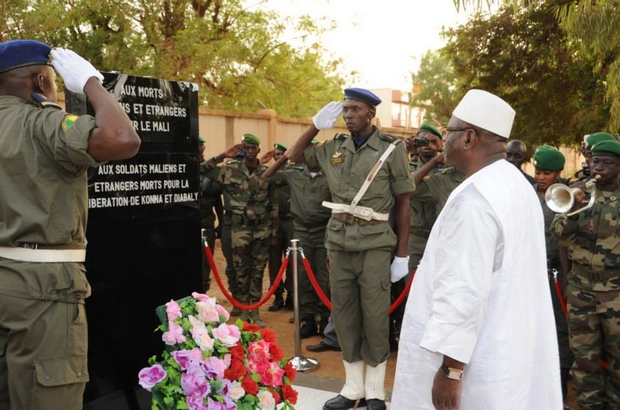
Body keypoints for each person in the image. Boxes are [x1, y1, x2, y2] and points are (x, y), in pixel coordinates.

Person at [392, 89, 562, 409]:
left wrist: (450, 372)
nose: (444, 140)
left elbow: (462, 291)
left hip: (478, 360)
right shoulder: (516, 184)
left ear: (469, 138)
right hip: (512, 346)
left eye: (449, 132)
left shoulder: (475, 199)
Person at [0, 40, 141, 409]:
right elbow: (122, 139)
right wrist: (92, 83)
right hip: (43, 287)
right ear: (39, 81)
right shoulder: (41, 122)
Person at [289, 87, 414, 410]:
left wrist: (402, 254)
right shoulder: (334, 147)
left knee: (374, 317)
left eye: (355, 109)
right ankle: (352, 387)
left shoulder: (391, 149)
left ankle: (374, 391)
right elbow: (294, 155)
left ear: (371, 114)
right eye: (345, 109)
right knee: (343, 314)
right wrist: (315, 125)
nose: (348, 115)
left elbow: (403, 202)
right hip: (339, 243)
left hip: (374, 243)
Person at [551, 138, 620, 409]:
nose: (598, 167)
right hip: (581, 289)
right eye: (595, 161)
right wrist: (573, 208)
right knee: (584, 361)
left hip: (615, 291)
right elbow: (559, 235)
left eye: (607, 163)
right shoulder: (578, 193)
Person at [202, 134, 278, 328]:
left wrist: (274, 232)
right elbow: (200, 170)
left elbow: (274, 204)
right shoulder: (229, 170)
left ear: (259, 150)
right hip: (238, 228)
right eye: (247, 148)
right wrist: (222, 155)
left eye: (254, 148)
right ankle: (244, 309)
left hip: (261, 229)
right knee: (241, 270)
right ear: (243, 149)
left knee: (258, 271)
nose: (251, 151)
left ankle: (255, 310)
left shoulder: (266, 172)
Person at [262, 145, 333, 338]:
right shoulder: (293, 174)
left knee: (324, 278)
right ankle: (308, 319)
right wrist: (284, 157)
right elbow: (266, 176)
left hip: (323, 231)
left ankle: (325, 320)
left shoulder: (331, 175)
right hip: (301, 230)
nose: (310, 156)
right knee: (302, 277)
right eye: (306, 152)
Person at [532, 145, 574, 401]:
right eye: (538, 171)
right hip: (528, 269)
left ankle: (559, 384)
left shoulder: (562, 196)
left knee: (559, 326)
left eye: (546, 173)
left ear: (557, 173)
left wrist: (566, 276)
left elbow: (563, 242)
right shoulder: (527, 193)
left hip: (554, 273)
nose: (540, 177)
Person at [263, 142, 293, 312]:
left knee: (292, 262)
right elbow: (261, 178)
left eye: (282, 154)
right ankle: (277, 295)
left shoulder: (293, 171)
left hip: (290, 222)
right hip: (273, 222)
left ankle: (291, 294)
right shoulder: (269, 172)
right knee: (274, 262)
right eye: (276, 154)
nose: (278, 157)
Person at [199, 135, 223, 292]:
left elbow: (217, 200)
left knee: (206, 260)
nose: (199, 148)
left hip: (206, 221)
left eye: (201, 145)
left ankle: (203, 292)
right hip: (186, 221)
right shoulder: (182, 167)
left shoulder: (211, 171)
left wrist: (222, 222)